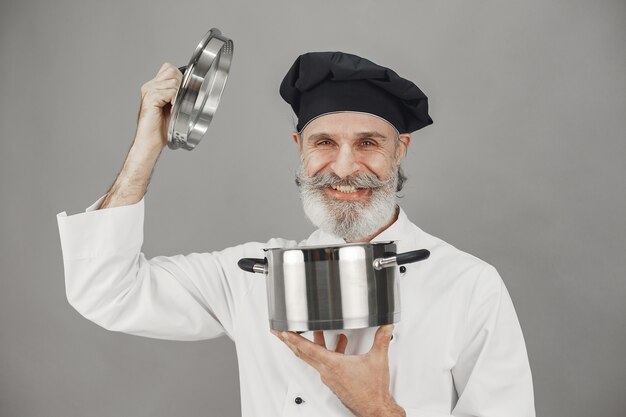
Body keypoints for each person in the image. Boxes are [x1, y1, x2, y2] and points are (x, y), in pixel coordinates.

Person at [57, 52, 535, 417]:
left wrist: (378, 409)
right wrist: (147, 145)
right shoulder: (251, 274)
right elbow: (106, 291)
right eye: (324, 143)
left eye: (368, 143)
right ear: (300, 149)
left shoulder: (468, 284)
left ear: (400, 151)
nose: (345, 168)